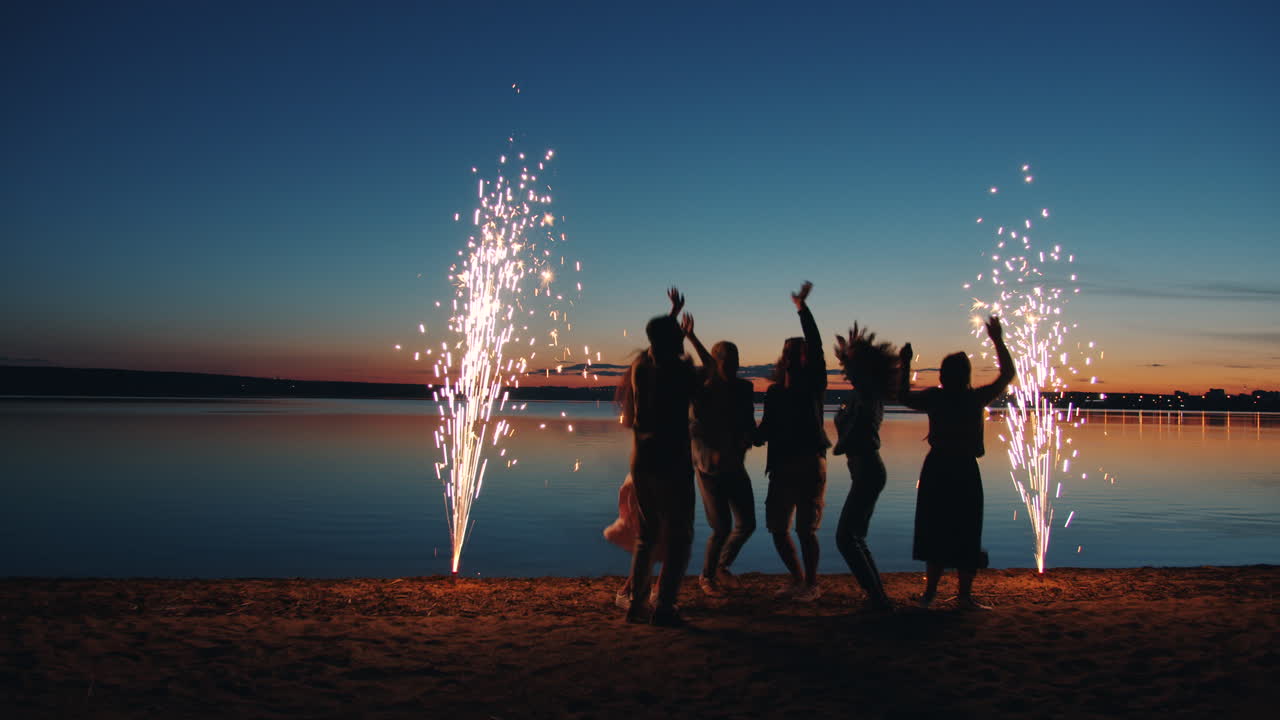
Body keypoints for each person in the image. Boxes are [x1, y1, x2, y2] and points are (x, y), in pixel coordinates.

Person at [898, 316, 1015, 610]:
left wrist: (905, 364)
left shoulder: (937, 398)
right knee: (966, 528)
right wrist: (997, 340)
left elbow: (901, 396)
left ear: (943, 376)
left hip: (938, 468)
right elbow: (1008, 374)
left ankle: (930, 595)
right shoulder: (974, 398)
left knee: (935, 528)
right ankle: (962, 597)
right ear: (966, 375)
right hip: (963, 469)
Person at [615, 288, 701, 626]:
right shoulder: (680, 373)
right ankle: (664, 607)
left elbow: (658, 341)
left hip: (642, 460)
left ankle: (637, 605)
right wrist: (688, 338)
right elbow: (708, 377)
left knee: (647, 534)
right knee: (680, 535)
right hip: (673, 461)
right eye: (677, 336)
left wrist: (672, 314)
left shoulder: (640, 368)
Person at [755, 282, 829, 602]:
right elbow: (765, 431)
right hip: (782, 468)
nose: (791, 355)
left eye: (796, 352)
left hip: (810, 463)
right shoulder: (774, 393)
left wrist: (802, 308)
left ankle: (811, 583)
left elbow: (816, 343)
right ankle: (798, 578)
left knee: (805, 530)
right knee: (776, 527)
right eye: (787, 351)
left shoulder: (814, 384)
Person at [680, 313, 757, 597]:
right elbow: (694, 426)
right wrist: (690, 336)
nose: (733, 367)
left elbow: (748, 423)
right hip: (709, 468)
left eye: (736, 361)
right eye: (727, 361)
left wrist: (750, 436)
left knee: (747, 524)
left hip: (735, 465)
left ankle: (722, 567)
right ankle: (707, 576)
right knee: (722, 526)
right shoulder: (702, 390)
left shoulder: (743, 389)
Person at [831, 324, 897, 611]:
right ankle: (878, 598)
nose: (847, 367)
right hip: (863, 470)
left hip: (868, 469)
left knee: (845, 538)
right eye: (847, 361)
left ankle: (878, 599)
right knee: (854, 537)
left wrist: (839, 443)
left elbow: (855, 434)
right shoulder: (860, 393)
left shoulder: (868, 395)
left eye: (853, 362)